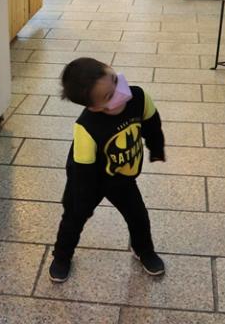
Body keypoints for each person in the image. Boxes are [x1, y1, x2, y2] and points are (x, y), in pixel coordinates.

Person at [49, 57, 167, 283]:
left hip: (122, 178)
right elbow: (81, 173)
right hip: (90, 181)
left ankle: (143, 250)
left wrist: (157, 147)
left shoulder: (139, 98)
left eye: (116, 81)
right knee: (73, 218)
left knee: (138, 216)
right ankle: (62, 256)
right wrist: (81, 201)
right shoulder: (86, 127)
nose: (120, 92)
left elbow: (152, 123)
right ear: (94, 107)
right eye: (109, 96)